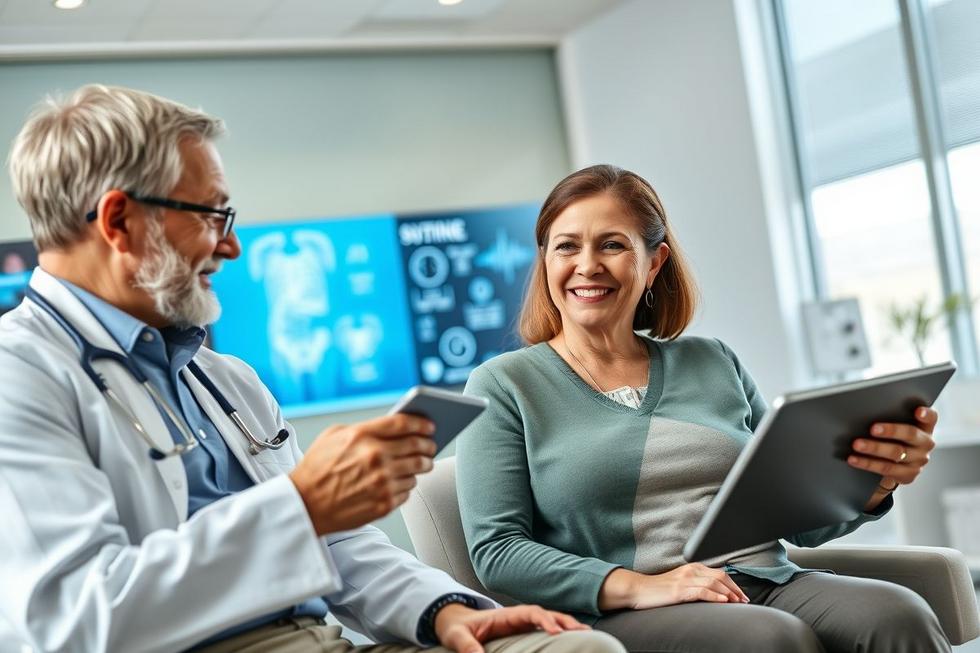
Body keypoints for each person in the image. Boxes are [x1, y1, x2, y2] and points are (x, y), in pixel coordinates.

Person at [0, 85, 627, 653]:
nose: (231, 245)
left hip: (318, 638)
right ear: (118, 221)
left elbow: (342, 547)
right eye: (211, 216)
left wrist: (445, 610)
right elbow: (73, 621)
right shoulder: (20, 373)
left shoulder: (223, 380)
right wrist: (301, 505)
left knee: (577, 652)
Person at [456, 164, 950, 653]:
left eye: (613, 244)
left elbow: (797, 515)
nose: (587, 265)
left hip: (765, 580)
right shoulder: (502, 385)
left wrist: (874, 481)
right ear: (545, 261)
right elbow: (498, 552)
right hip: (631, 610)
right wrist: (641, 585)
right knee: (770, 638)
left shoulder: (712, 361)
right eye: (567, 246)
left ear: (653, 263)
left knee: (898, 614)